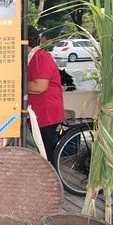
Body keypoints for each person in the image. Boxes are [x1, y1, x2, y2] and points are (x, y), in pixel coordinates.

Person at [27, 26, 64, 161]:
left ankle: (52, 181)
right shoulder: (31, 57)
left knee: (45, 155)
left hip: (46, 114)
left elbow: (39, 86)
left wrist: (16, 85)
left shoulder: (41, 57)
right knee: (40, 153)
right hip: (38, 114)